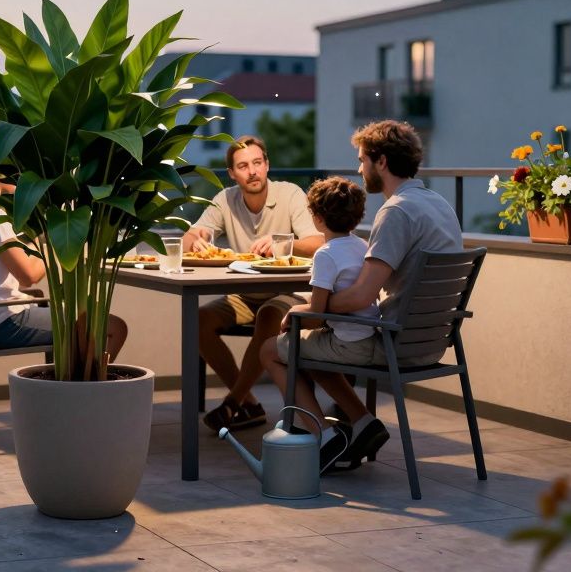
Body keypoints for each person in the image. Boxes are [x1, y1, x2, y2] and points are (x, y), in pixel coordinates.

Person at [279, 119, 463, 470]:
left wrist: (307, 308)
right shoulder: (437, 203)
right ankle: (361, 423)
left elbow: (361, 296)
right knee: (320, 341)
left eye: (362, 160)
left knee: (276, 348)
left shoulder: (396, 212)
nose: (359, 168)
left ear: (381, 161)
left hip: (395, 345)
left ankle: (325, 439)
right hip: (433, 341)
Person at [181, 135, 324, 433]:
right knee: (197, 320)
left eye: (258, 163)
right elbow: (189, 238)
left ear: (267, 165)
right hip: (245, 294)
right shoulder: (225, 199)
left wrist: (281, 243)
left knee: (270, 315)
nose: (253, 171)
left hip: (288, 291)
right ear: (233, 174)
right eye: (243, 166)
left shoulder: (290, 194)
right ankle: (249, 403)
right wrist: (197, 240)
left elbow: (317, 242)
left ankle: (233, 402)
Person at [258, 176, 380, 473]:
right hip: (370, 339)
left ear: (317, 218)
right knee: (309, 352)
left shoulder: (325, 254)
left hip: (346, 344)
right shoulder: (362, 245)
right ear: (358, 214)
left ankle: (324, 436)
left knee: (268, 350)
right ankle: (364, 421)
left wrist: (292, 312)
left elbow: (316, 313)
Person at [0, 159, 128, 355]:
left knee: (73, 317)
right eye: (16, 169)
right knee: (115, 328)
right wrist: (60, 239)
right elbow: (28, 277)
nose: (22, 177)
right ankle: (93, 386)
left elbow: (10, 255)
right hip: (3, 324)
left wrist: (40, 237)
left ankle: (64, 385)